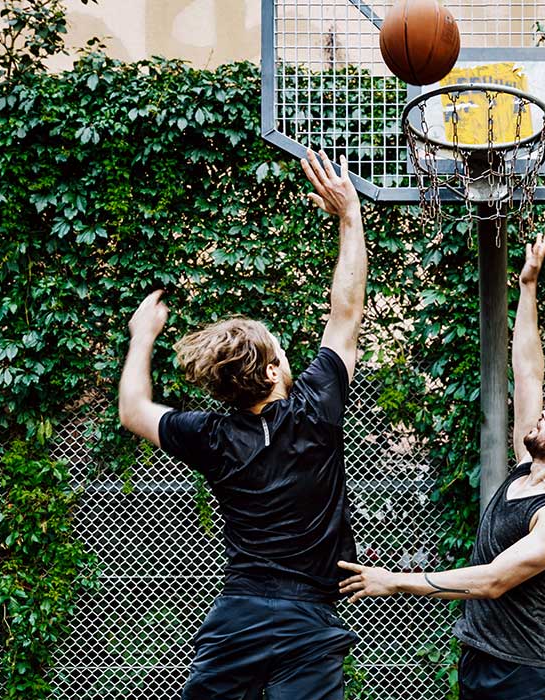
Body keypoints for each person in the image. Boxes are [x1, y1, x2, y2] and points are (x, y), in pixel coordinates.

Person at [336, 227, 545, 700]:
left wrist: (394, 582)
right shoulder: (523, 468)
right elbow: (528, 372)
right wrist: (528, 287)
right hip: (478, 662)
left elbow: (493, 581)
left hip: (526, 676)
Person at [118, 148, 367, 699]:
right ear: (276, 369)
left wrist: (143, 336)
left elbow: (134, 411)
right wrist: (349, 216)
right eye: (280, 346)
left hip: (240, 615)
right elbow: (345, 311)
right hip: (308, 619)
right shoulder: (316, 408)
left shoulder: (209, 436)